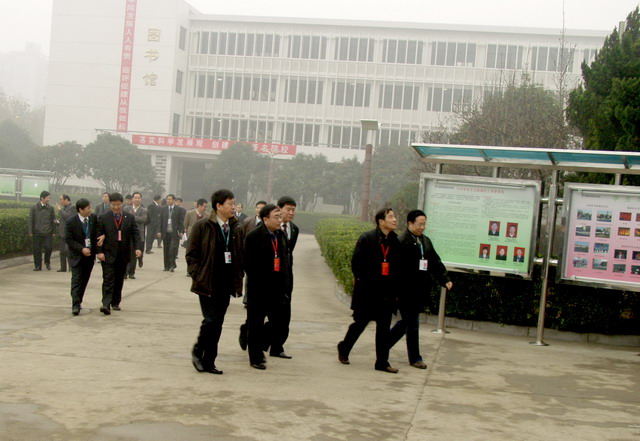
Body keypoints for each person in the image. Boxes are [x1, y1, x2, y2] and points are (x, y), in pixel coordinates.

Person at [186, 189, 243, 375]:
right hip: (207, 282)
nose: (233, 207)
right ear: (218, 206)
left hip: (226, 283)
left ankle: (209, 361)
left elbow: (239, 254)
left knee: (218, 323)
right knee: (210, 320)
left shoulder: (236, 227)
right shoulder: (203, 226)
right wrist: (197, 274)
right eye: (230, 204)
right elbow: (191, 254)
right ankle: (198, 351)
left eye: (234, 204)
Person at [337, 208, 400, 374]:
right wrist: (366, 284)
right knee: (359, 324)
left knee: (384, 329)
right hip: (368, 293)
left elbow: (398, 268)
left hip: (386, 294)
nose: (395, 219)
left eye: (394, 216)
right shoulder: (367, 238)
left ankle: (382, 362)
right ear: (381, 221)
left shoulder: (395, 241)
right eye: (391, 217)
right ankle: (344, 348)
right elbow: (356, 265)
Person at [389, 209, 452, 369]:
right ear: (410, 223)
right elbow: (394, 270)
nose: (422, 227)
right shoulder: (401, 242)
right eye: (419, 224)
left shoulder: (425, 241)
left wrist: (444, 279)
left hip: (419, 290)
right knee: (412, 323)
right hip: (405, 291)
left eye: (424, 224)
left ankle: (383, 345)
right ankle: (415, 358)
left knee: (407, 323)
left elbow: (435, 262)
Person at [244, 204, 291, 370]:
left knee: (279, 322)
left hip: (277, 288)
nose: (280, 220)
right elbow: (248, 264)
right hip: (259, 289)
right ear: (265, 219)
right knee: (256, 324)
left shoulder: (280, 235)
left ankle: (255, 340)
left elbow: (284, 260)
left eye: (280, 217)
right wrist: (262, 280)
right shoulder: (253, 236)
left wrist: (285, 284)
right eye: (276, 217)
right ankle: (256, 358)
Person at [96, 193, 142, 315]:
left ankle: (115, 302)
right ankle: (106, 304)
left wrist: (138, 248)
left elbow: (135, 234)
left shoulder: (129, 217)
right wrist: (99, 252)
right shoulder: (104, 217)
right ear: (110, 204)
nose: (116, 207)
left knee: (118, 279)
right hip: (108, 254)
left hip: (123, 254)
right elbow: (98, 235)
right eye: (113, 205)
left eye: (118, 205)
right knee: (108, 279)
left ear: (122, 203)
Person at [268, 196, 299, 359]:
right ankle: (248, 332)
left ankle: (277, 347)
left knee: (284, 315)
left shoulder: (294, 229)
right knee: (268, 313)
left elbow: (289, 254)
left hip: (286, 278)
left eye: (293, 210)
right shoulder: (271, 228)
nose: (291, 213)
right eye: (288, 209)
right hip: (270, 278)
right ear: (279, 209)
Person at [65, 198, 98, 315]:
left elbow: (98, 232)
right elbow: (68, 239)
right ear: (80, 210)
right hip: (77, 256)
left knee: (84, 280)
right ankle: (75, 305)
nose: (90, 210)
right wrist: (81, 249)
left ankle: (79, 301)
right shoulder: (71, 221)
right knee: (76, 280)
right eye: (88, 208)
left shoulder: (93, 218)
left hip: (89, 256)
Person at [28, 190, 56, 271]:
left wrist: (54, 231)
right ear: (42, 198)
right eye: (47, 198)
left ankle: (47, 262)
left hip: (48, 232)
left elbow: (53, 220)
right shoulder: (34, 208)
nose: (48, 200)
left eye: (49, 198)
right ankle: (38, 266)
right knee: (37, 250)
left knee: (49, 248)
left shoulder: (51, 208)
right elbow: (30, 220)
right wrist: (30, 231)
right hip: (37, 232)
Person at [123, 192, 148, 279]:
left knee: (134, 253)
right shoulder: (126, 209)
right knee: (126, 253)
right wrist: (134, 217)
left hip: (138, 234)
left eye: (138, 198)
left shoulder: (144, 210)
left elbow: (143, 220)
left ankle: (131, 272)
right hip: (127, 234)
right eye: (135, 197)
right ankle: (125, 272)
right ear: (132, 199)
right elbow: (124, 219)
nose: (137, 199)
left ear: (141, 199)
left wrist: (131, 217)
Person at [158, 194, 184, 272]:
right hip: (165, 232)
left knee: (172, 249)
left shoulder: (178, 209)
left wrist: (181, 231)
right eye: (167, 199)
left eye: (170, 199)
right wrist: (159, 231)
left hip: (174, 232)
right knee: (166, 249)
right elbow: (160, 220)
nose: (168, 201)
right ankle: (166, 266)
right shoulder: (163, 209)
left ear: (174, 200)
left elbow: (181, 221)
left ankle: (172, 265)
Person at [56, 194, 77, 272]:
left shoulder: (73, 208)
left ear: (66, 200)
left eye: (61, 199)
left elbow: (67, 217)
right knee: (62, 251)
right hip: (62, 232)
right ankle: (63, 267)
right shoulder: (64, 208)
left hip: (69, 233)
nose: (60, 201)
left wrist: (59, 210)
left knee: (68, 250)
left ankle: (71, 267)